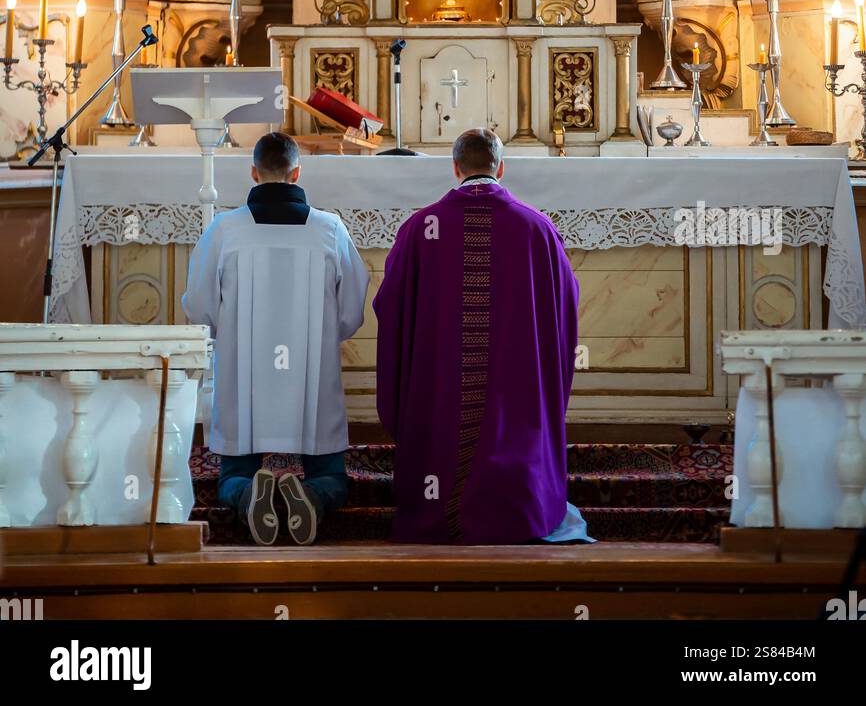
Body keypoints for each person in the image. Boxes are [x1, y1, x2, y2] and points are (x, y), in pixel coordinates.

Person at [374, 128, 590, 544]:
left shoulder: (422, 228)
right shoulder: (536, 228)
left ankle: (441, 505)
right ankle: (518, 504)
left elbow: (390, 305)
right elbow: (565, 303)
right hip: (514, 383)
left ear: (455, 168)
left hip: (443, 389)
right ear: (501, 168)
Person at [182, 132, 369, 545]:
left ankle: (250, 493)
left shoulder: (225, 229)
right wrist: (322, 338)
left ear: (253, 172)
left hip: (243, 379)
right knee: (332, 476)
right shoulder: (329, 229)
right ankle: (313, 496)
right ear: (297, 171)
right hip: (311, 379)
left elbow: (197, 304)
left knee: (231, 473)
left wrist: (228, 336)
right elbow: (353, 307)